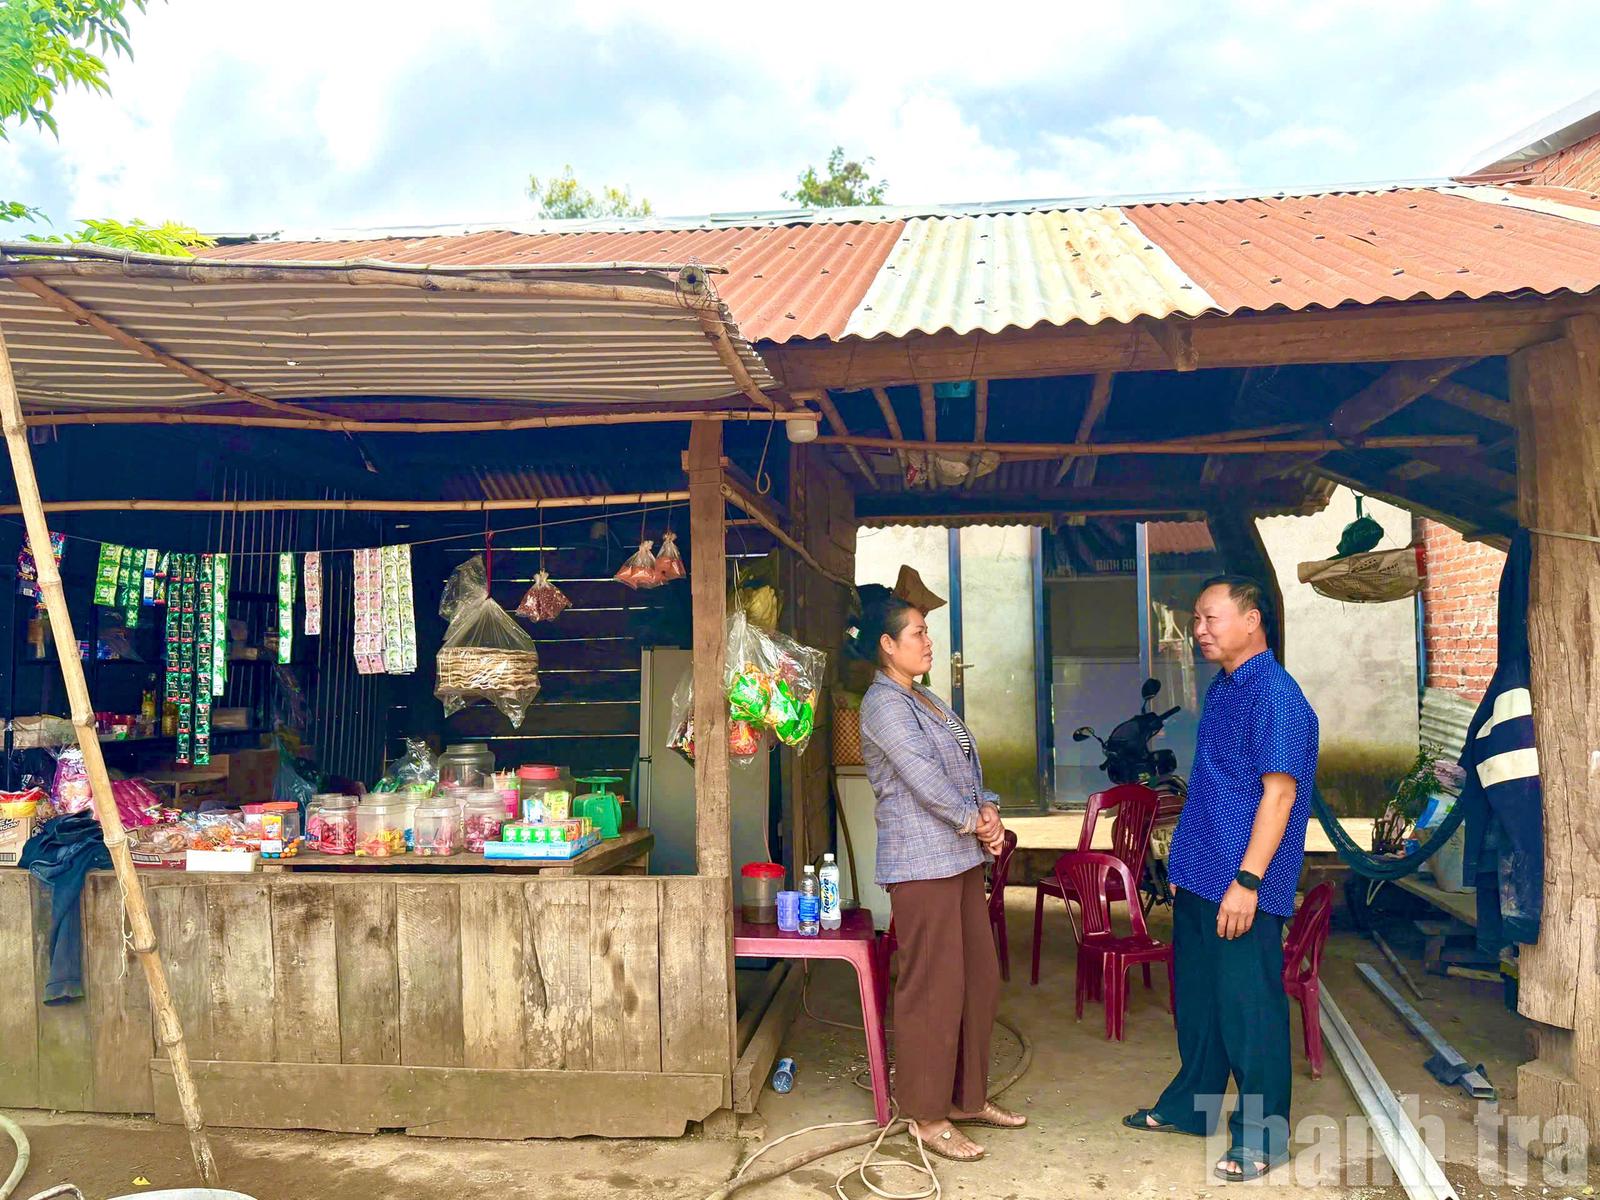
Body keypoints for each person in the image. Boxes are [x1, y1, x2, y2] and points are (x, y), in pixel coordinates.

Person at [1123, 574, 1319, 1184]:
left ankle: (1263, 1136)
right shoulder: (1226, 687)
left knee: (1249, 1009)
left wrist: (1248, 882)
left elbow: (1280, 796)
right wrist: (1185, 865)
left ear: (1251, 620)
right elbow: (1216, 782)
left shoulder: (1278, 697)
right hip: (1201, 871)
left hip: (1243, 882)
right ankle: (1193, 1107)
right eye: (1197, 620)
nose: (1199, 630)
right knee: (1200, 1001)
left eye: (1211, 618)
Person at [855, 584, 1025, 1162]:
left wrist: (989, 809)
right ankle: (926, 1116)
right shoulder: (883, 704)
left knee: (978, 978)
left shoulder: (923, 697)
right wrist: (975, 821)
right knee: (932, 987)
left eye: (927, 631)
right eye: (918, 633)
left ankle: (967, 1098)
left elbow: (963, 765)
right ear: (887, 644)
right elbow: (924, 777)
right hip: (922, 863)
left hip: (959, 857)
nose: (928, 641)